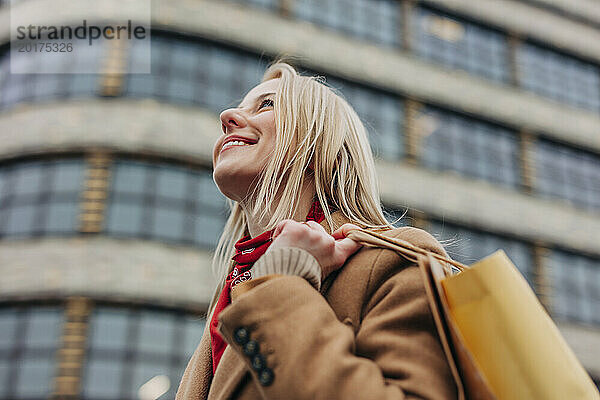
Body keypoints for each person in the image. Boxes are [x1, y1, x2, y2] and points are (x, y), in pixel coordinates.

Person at [176, 61, 458, 399]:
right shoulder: (230, 296)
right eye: (238, 107)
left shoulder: (393, 256)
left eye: (266, 104)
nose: (227, 116)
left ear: (317, 148)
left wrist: (282, 284)